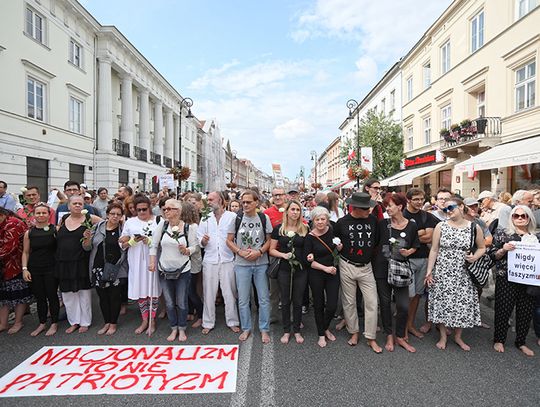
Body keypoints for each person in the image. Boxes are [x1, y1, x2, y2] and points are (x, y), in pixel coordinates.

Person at [425, 196, 484, 351]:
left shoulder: (473, 227)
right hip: (443, 271)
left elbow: (482, 247)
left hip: (464, 272)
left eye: (451, 208)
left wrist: (476, 256)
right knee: (443, 303)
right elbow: (434, 249)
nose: (448, 211)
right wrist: (429, 271)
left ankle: (458, 337)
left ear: (461, 206)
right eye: (445, 209)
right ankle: (443, 336)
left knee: (462, 304)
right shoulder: (441, 226)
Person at [334, 192, 382, 352]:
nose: (369, 211)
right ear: (356, 207)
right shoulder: (341, 223)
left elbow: (376, 242)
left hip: (366, 267)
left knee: (372, 302)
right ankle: (353, 332)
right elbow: (336, 242)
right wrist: (338, 247)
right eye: (365, 208)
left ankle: (370, 337)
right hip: (347, 264)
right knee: (349, 302)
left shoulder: (374, 221)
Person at [490, 205, 538, 356]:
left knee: (526, 310)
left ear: (529, 218)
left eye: (523, 216)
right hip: (507, 278)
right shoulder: (503, 234)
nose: (519, 218)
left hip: (529, 280)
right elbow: (492, 255)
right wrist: (503, 249)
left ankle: (521, 342)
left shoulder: (536, 237)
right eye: (516, 216)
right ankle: (499, 339)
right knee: (503, 309)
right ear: (511, 218)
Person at [374, 193, 419, 352]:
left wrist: (410, 251)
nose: (387, 208)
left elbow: (415, 245)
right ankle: (389, 335)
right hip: (382, 268)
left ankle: (400, 336)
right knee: (385, 304)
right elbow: (375, 244)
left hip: (401, 270)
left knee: (403, 306)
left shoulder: (411, 225)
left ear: (400, 206)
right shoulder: (382, 224)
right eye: (386, 205)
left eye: (390, 205)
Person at [227, 190, 272, 343]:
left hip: (261, 264)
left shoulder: (263, 218)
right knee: (243, 299)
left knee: (264, 298)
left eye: (248, 202)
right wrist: (239, 252)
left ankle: (264, 329)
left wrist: (259, 252)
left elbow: (268, 241)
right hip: (242, 265)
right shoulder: (236, 218)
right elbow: (229, 240)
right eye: (243, 202)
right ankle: (246, 328)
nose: (245, 204)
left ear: (256, 203)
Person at [149, 199, 197, 342]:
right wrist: (152, 262)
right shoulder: (162, 225)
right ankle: (173, 328)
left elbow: (195, 247)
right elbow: (154, 245)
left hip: (183, 270)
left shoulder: (189, 228)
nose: (166, 211)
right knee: (169, 302)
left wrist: (187, 250)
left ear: (178, 211)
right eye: (164, 209)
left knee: (181, 301)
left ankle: (182, 328)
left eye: (169, 209)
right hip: (164, 269)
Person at [55, 195, 101, 333]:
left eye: (80, 203)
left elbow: (107, 224)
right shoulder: (63, 219)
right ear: (68, 206)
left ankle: (85, 322)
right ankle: (74, 321)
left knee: (83, 293)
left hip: (81, 261)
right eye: (74, 203)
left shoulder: (89, 219)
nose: (77, 206)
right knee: (68, 294)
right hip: (63, 261)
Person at [197, 191, 240, 335]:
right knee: (209, 292)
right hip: (210, 260)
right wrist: (203, 241)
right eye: (207, 199)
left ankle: (232, 321)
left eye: (211, 199)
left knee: (230, 292)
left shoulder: (232, 217)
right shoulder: (205, 218)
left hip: (228, 259)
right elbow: (200, 240)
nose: (208, 202)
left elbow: (237, 237)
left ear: (221, 201)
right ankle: (208, 322)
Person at [269, 200, 309, 344]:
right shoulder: (279, 229)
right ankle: (286, 330)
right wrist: (283, 255)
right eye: (292, 209)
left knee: (298, 300)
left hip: (301, 269)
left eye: (298, 210)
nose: (295, 212)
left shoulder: (305, 228)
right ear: (287, 212)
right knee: (285, 300)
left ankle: (297, 330)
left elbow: (309, 248)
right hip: (284, 269)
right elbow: (272, 250)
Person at [84, 202, 127, 336]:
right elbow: (87, 248)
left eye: (118, 214)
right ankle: (106, 322)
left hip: (116, 268)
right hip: (98, 267)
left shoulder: (123, 229)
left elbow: (126, 248)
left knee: (114, 297)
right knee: (102, 297)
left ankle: (113, 323)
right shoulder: (97, 228)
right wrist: (86, 239)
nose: (115, 217)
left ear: (121, 217)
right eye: (112, 214)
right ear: (107, 215)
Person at [120, 194, 160, 335]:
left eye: (144, 209)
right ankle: (144, 319)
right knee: (141, 291)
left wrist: (149, 241)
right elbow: (122, 244)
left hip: (151, 259)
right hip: (136, 260)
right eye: (139, 210)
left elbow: (163, 241)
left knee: (152, 291)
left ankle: (152, 320)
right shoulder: (130, 222)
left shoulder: (158, 221)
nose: (142, 212)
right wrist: (131, 241)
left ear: (149, 207)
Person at [403, 188, 440, 338]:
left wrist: (413, 235)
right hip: (406, 260)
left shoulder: (427, 216)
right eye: (416, 199)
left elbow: (430, 238)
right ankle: (403, 327)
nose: (419, 202)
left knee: (417, 294)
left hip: (423, 259)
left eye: (421, 199)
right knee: (407, 295)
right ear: (408, 200)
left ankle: (410, 325)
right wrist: (421, 233)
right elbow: (402, 238)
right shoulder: (402, 215)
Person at [304, 206, 341, 347]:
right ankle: (321, 334)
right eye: (317, 219)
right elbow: (309, 262)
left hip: (332, 273)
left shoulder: (332, 231)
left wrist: (339, 247)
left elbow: (337, 249)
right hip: (317, 273)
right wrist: (325, 268)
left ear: (327, 220)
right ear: (313, 221)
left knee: (332, 305)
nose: (320, 222)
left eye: (323, 219)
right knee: (318, 304)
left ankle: (325, 327)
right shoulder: (310, 237)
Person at [21, 203, 59, 336]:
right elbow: (25, 252)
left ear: (49, 215)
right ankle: (42, 323)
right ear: (34, 215)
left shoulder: (55, 230)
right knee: (40, 297)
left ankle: (54, 323)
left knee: (52, 295)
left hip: (51, 267)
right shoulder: (29, 232)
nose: (41, 215)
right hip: (35, 268)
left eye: (44, 213)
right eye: (38, 213)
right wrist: (25, 269)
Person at [0, 207, 32, 334]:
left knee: (19, 295)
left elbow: (9, 247)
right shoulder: (4, 222)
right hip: (3, 267)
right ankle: (3, 323)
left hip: (16, 264)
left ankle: (18, 322)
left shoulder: (13, 223)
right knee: (3, 296)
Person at [181, 201, 203, 328]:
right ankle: (190, 311)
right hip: (183, 261)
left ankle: (200, 315)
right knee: (186, 290)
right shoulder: (180, 225)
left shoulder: (193, 227)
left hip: (192, 262)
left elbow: (196, 246)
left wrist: (187, 250)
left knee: (191, 290)